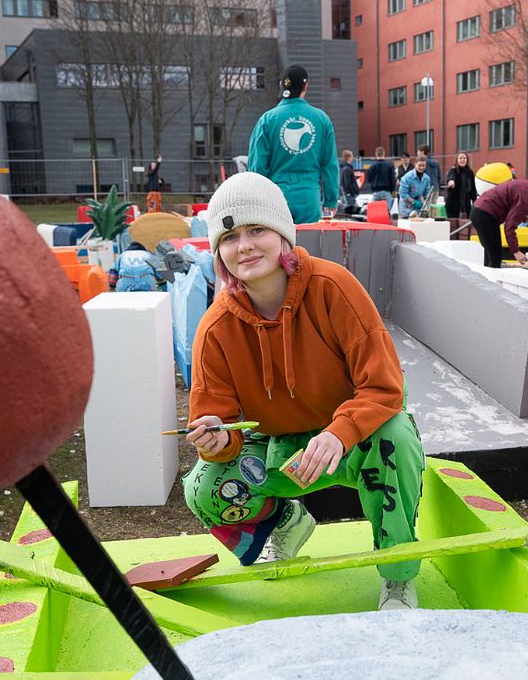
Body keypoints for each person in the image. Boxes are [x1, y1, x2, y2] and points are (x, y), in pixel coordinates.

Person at [182, 172, 425, 611]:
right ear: (218, 251)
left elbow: (385, 386)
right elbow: (216, 420)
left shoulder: (334, 287)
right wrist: (216, 441)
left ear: (282, 235)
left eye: (257, 230)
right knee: (204, 488)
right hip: (281, 450)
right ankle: (285, 519)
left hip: (355, 441)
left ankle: (397, 573)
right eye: (231, 236)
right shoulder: (215, 328)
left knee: (398, 438)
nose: (245, 246)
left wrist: (339, 432)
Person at [247, 65, 338, 224]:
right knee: (308, 245)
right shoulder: (322, 120)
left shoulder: (267, 120)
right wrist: (330, 200)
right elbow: (330, 164)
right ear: (305, 86)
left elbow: (257, 166)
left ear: (281, 85)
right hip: (309, 196)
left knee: (278, 247)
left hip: (276, 197)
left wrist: (256, 199)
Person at [470, 179, 528, 267]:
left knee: (490, 252)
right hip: (486, 215)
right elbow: (509, 227)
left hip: (480, 210)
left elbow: (512, 208)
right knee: (495, 257)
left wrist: (526, 219)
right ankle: (490, 282)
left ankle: (487, 279)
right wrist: (516, 252)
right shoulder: (527, 198)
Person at [444, 152, 475, 239]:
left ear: (467, 160)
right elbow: (451, 177)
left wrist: (475, 202)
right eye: (460, 158)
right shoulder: (453, 171)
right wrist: (451, 181)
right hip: (453, 204)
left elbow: (473, 189)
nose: (462, 160)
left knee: (464, 227)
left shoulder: (470, 173)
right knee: (453, 226)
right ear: (457, 160)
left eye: (464, 158)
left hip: (466, 205)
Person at [338, 149, 360, 214]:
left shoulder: (343, 168)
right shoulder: (347, 169)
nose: (352, 158)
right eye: (352, 156)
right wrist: (352, 193)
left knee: (348, 211)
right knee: (351, 212)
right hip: (348, 195)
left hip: (346, 194)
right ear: (348, 157)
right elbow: (347, 183)